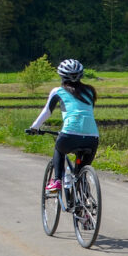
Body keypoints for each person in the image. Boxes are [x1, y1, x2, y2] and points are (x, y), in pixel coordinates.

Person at [26, 59, 99, 192]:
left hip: (70, 135)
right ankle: (85, 205)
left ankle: (57, 180)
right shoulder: (90, 91)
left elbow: (47, 112)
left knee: (59, 149)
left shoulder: (58, 91)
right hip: (92, 138)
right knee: (81, 172)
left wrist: (34, 127)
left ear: (62, 75)